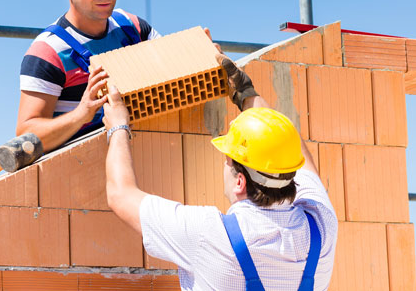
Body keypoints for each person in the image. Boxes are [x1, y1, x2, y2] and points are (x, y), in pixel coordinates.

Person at [102, 54, 338, 291]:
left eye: (227, 160)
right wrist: (246, 93)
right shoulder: (321, 225)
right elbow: (288, 148)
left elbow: (120, 194)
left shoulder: (208, 235)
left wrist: (118, 126)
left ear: (240, 182)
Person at [17, 0, 160, 151]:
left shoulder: (133, 28)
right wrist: (82, 114)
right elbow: (26, 138)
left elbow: (174, 70)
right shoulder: (48, 53)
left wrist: (202, 56)